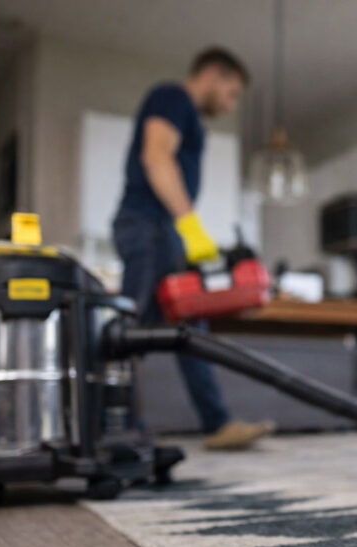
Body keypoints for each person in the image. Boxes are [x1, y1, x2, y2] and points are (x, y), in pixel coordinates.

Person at [113, 47, 274, 450]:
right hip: (149, 224)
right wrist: (189, 223)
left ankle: (216, 423)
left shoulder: (185, 111)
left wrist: (184, 229)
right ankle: (112, 424)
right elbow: (156, 156)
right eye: (232, 92)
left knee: (188, 323)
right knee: (128, 330)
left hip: (162, 227)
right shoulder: (173, 96)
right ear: (214, 74)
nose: (230, 103)